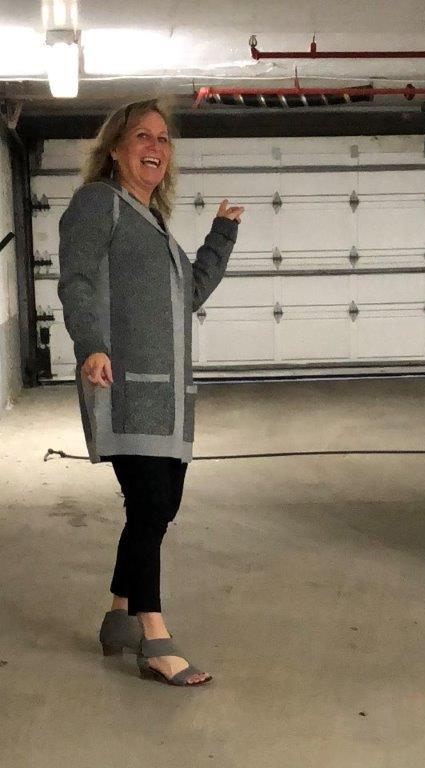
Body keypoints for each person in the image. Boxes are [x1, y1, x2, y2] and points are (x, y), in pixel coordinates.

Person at [58, 99, 244, 684]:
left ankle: (118, 614)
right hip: (124, 385)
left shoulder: (154, 224)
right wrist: (90, 344)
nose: (156, 147)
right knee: (151, 507)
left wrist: (223, 234)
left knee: (157, 508)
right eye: (143, 136)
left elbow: (186, 294)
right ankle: (153, 637)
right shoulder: (98, 205)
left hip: (165, 396)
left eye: (164, 140)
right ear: (116, 148)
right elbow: (77, 280)